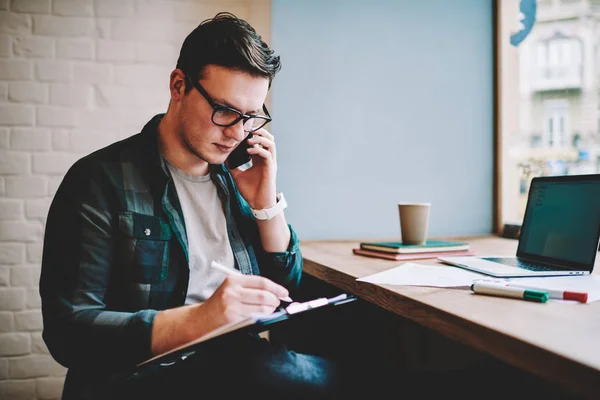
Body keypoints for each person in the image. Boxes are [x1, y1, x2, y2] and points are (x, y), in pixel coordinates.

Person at [40, 12, 343, 400]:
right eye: (225, 110)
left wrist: (267, 203)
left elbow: (286, 288)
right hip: (140, 379)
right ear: (179, 86)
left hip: (238, 366)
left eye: (251, 117)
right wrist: (201, 319)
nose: (236, 132)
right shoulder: (99, 181)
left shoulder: (234, 180)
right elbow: (70, 332)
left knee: (347, 365)